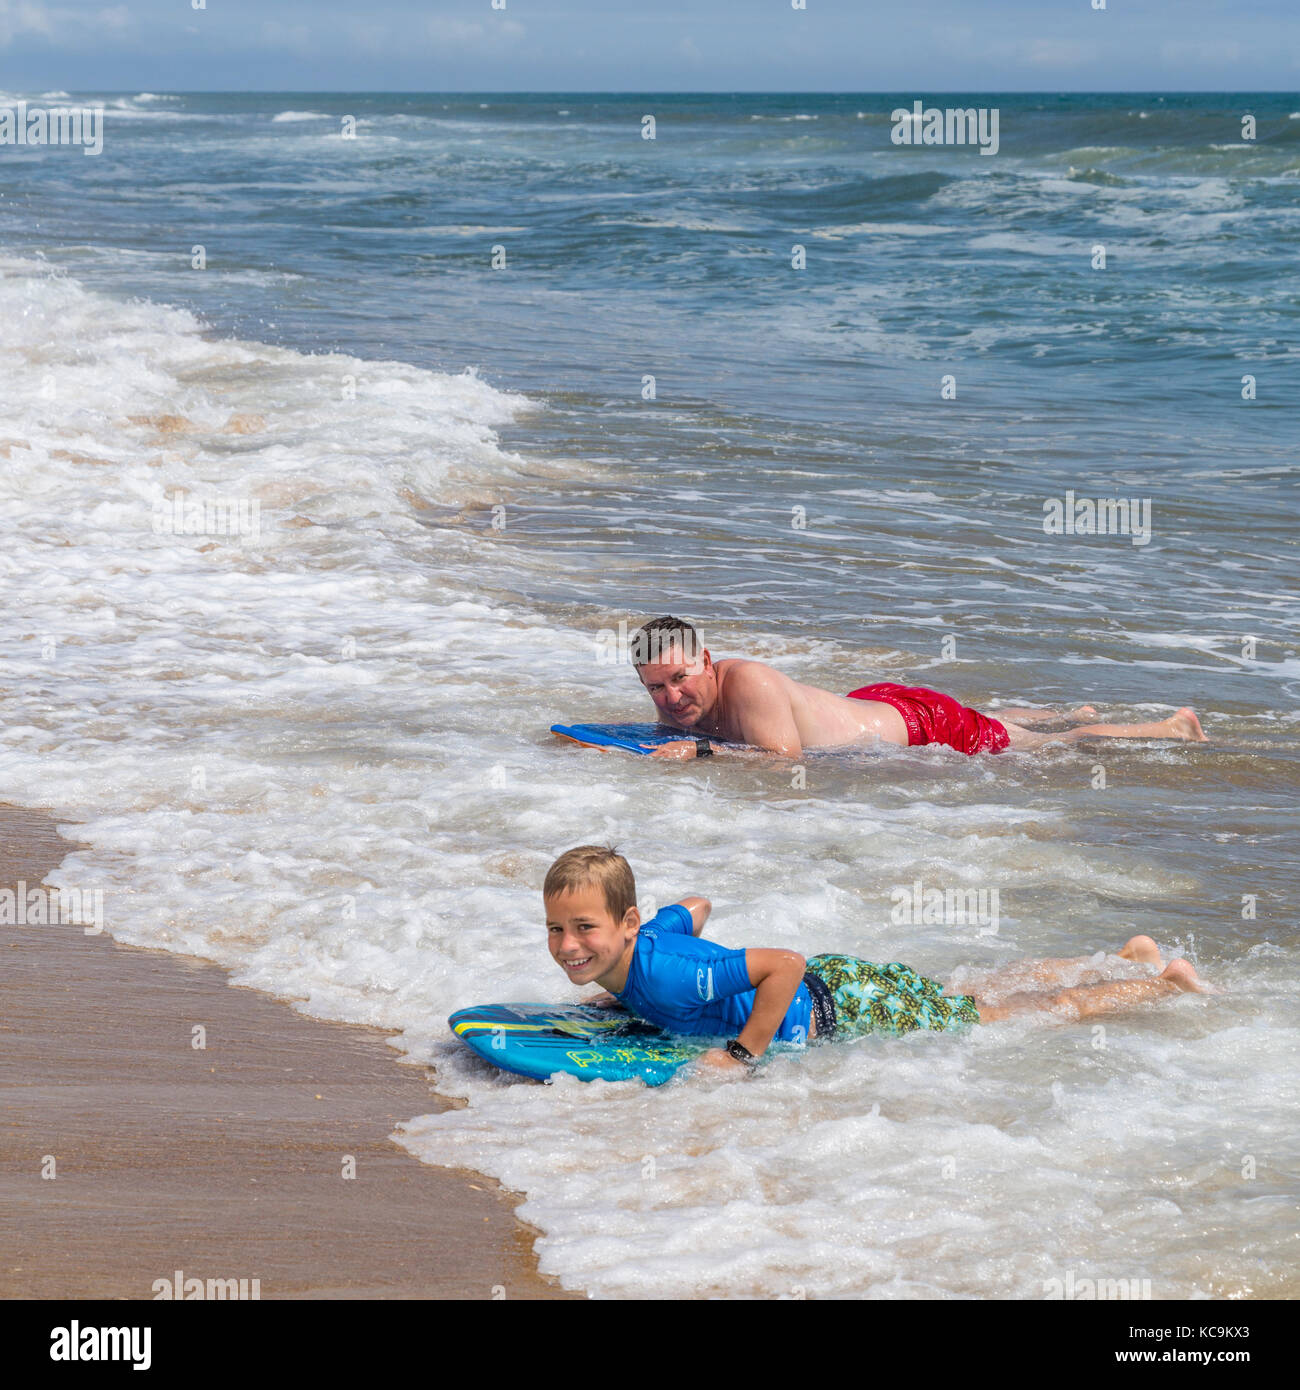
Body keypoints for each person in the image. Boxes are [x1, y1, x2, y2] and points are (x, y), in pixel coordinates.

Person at [543, 845, 1211, 1075]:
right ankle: (1124, 956)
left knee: (996, 1016)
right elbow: (696, 905)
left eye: (585, 929)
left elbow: (784, 962)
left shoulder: (667, 973)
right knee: (966, 992)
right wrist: (616, 982)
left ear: (627, 923)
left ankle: (1161, 985)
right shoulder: (645, 943)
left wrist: (744, 1055)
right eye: (556, 930)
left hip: (844, 1005)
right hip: (847, 979)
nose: (569, 945)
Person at [626, 615, 1207, 759]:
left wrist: (702, 752)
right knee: (999, 720)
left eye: (680, 678)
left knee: (1051, 744)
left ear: (705, 660)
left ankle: (1169, 726)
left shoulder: (747, 681)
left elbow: (783, 764)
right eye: (656, 688)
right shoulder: (682, 704)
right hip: (874, 705)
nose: (672, 698)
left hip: (923, 727)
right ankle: (1055, 709)